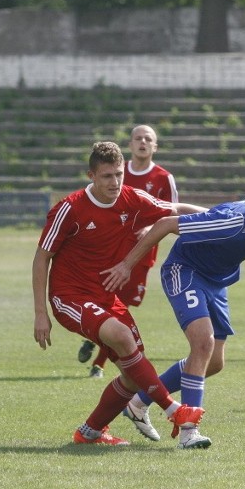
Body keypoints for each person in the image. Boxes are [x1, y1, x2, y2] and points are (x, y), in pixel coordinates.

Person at [102, 173, 245, 449]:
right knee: (203, 341)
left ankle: (139, 403)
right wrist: (127, 265)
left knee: (214, 362)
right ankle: (188, 430)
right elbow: (165, 224)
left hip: (217, 282)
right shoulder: (230, 222)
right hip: (185, 270)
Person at [32, 141, 206, 446]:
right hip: (68, 296)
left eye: (119, 174)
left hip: (105, 296)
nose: (115, 182)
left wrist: (223, 216)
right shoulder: (69, 208)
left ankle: (90, 432)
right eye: (107, 176)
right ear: (91, 176)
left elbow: (175, 212)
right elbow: (42, 257)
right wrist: (40, 313)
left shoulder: (131, 198)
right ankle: (175, 410)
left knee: (131, 374)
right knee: (123, 338)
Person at [77, 124, 179, 378]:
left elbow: (172, 211)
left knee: (122, 304)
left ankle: (96, 343)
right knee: (110, 301)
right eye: (137, 138)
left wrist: (149, 229)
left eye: (148, 139)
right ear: (130, 144)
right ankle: (99, 364)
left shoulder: (163, 178)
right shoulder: (117, 172)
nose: (142, 142)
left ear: (155, 146)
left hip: (142, 254)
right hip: (112, 250)